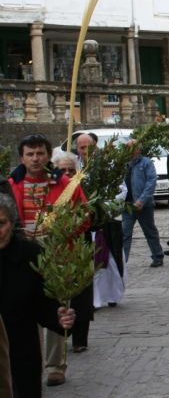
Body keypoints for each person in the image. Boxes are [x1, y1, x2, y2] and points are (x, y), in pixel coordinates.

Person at [8, 134, 86, 387]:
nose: (35, 159)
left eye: (40, 153)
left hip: (57, 252)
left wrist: (62, 229)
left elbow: (84, 216)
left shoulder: (65, 184)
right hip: (20, 255)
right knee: (22, 309)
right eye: (30, 154)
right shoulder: (9, 185)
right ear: (22, 157)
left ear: (47, 155)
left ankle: (55, 365)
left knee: (57, 308)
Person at [0, 193, 76, 398]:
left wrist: (59, 316)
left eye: (1, 223)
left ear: (12, 222)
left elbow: (44, 302)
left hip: (22, 351)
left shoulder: (29, 255)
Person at [51, 152, 95, 353]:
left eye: (71, 170)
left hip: (76, 246)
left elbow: (86, 216)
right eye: (63, 170)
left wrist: (71, 227)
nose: (67, 174)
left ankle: (80, 338)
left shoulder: (76, 188)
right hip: (53, 249)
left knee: (81, 295)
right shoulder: (49, 188)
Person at [121, 140, 164, 267]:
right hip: (127, 204)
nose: (128, 150)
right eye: (126, 148)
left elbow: (151, 182)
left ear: (138, 150)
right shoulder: (123, 164)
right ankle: (123, 260)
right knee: (125, 233)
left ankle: (157, 256)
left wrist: (142, 199)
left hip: (144, 205)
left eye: (131, 148)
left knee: (150, 231)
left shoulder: (146, 163)